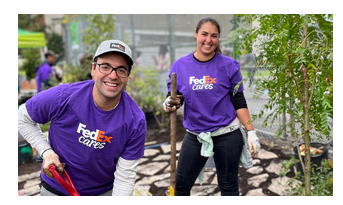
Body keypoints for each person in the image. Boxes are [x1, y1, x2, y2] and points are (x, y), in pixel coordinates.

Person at [18, 39, 147, 196]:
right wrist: (46, 152)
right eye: (105, 67)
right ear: (93, 69)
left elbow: (125, 177)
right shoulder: (63, 97)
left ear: (128, 76)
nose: (113, 76)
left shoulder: (135, 120)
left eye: (121, 70)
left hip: (102, 192)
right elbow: (22, 117)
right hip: (57, 188)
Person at [163, 17, 261, 196]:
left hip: (227, 133)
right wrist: (169, 102)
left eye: (214, 36)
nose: (209, 40)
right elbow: (176, 98)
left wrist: (251, 132)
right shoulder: (180, 66)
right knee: (181, 185)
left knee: (229, 185)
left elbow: (238, 102)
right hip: (196, 134)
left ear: (218, 39)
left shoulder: (228, 66)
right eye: (204, 34)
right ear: (196, 34)